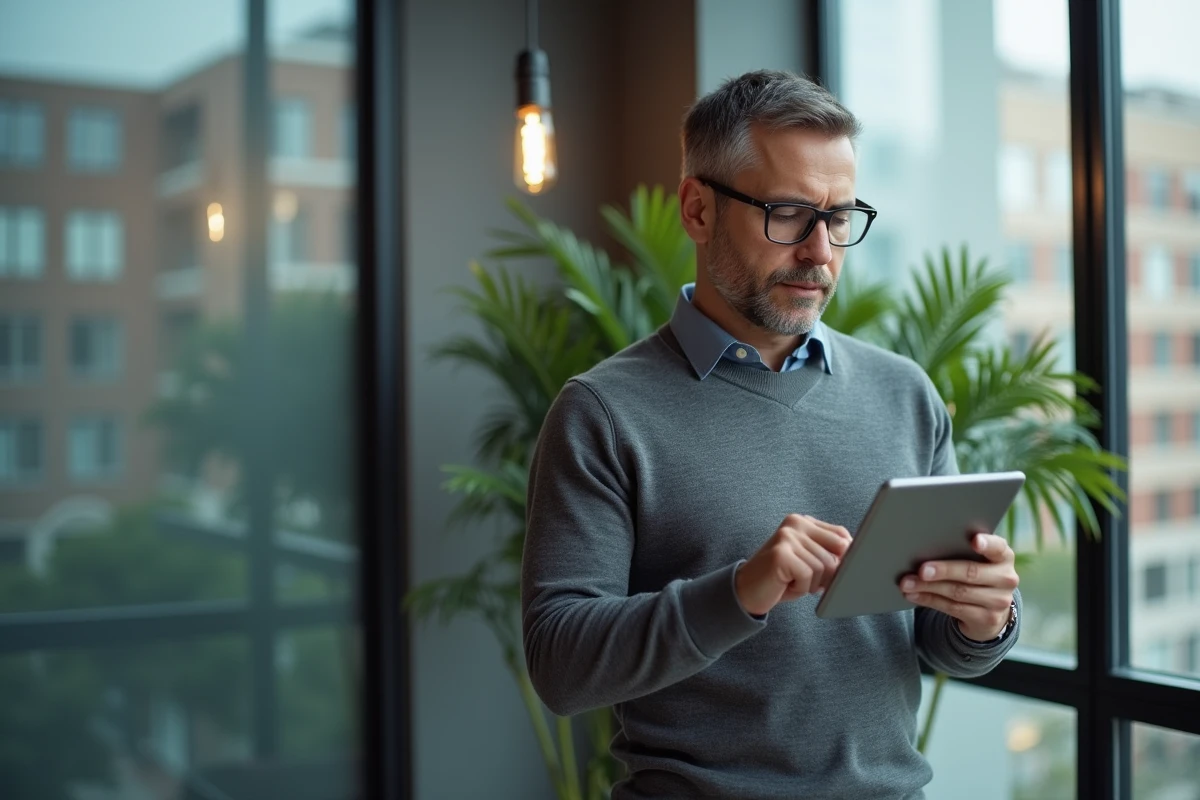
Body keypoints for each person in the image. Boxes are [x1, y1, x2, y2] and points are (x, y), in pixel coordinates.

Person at [521, 69, 1021, 800]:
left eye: (840, 216)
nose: (821, 251)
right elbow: (561, 666)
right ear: (697, 209)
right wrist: (743, 591)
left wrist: (984, 620)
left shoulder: (905, 393)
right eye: (788, 213)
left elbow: (938, 647)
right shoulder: (601, 412)